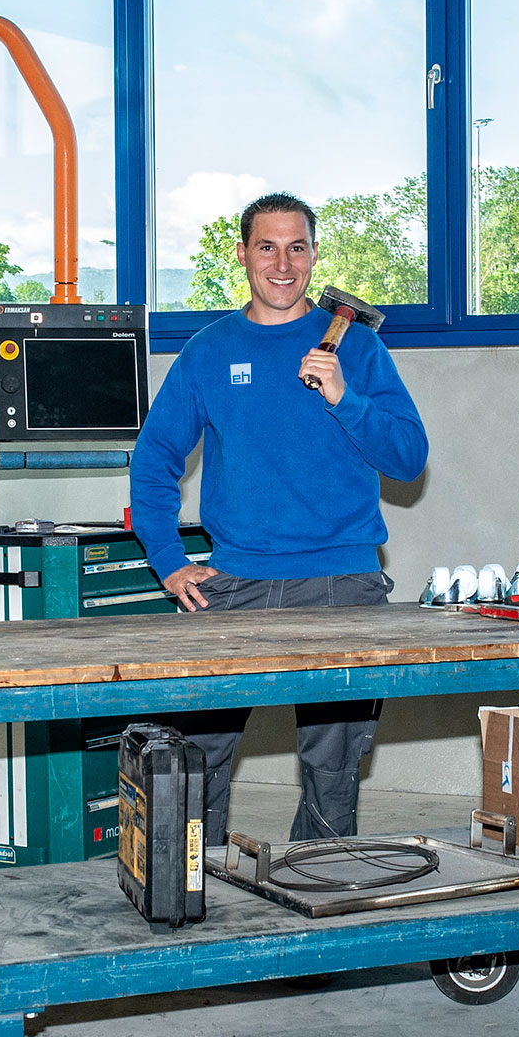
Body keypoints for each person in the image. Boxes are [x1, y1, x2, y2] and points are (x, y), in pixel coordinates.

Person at [129, 192, 428, 845]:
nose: (283, 263)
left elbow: (409, 458)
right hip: (236, 582)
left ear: (314, 255)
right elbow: (153, 460)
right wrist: (169, 561)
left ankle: (319, 906)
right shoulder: (209, 353)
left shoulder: (357, 349)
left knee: (334, 768)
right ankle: (194, 904)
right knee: (194, 756)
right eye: (267, 246)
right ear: (243, 255)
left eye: (298, 247)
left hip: (343, 580)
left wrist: (345, 396)